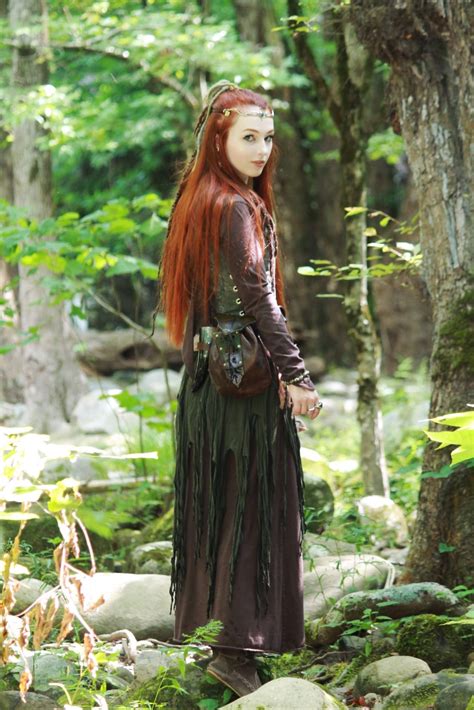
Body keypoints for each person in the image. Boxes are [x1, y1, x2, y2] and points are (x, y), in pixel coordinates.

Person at [157, 80, 322, 697]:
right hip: (242, 387)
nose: (262, 148)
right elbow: (257, 299)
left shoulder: (197, 200)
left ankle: (224, 644)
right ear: (218, 139)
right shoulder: (232, 205)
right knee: (251, 506)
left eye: (268, 136)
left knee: (224, 507)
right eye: (248, 136)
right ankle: (236, 652)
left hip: (207, 384)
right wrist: (297, 376)